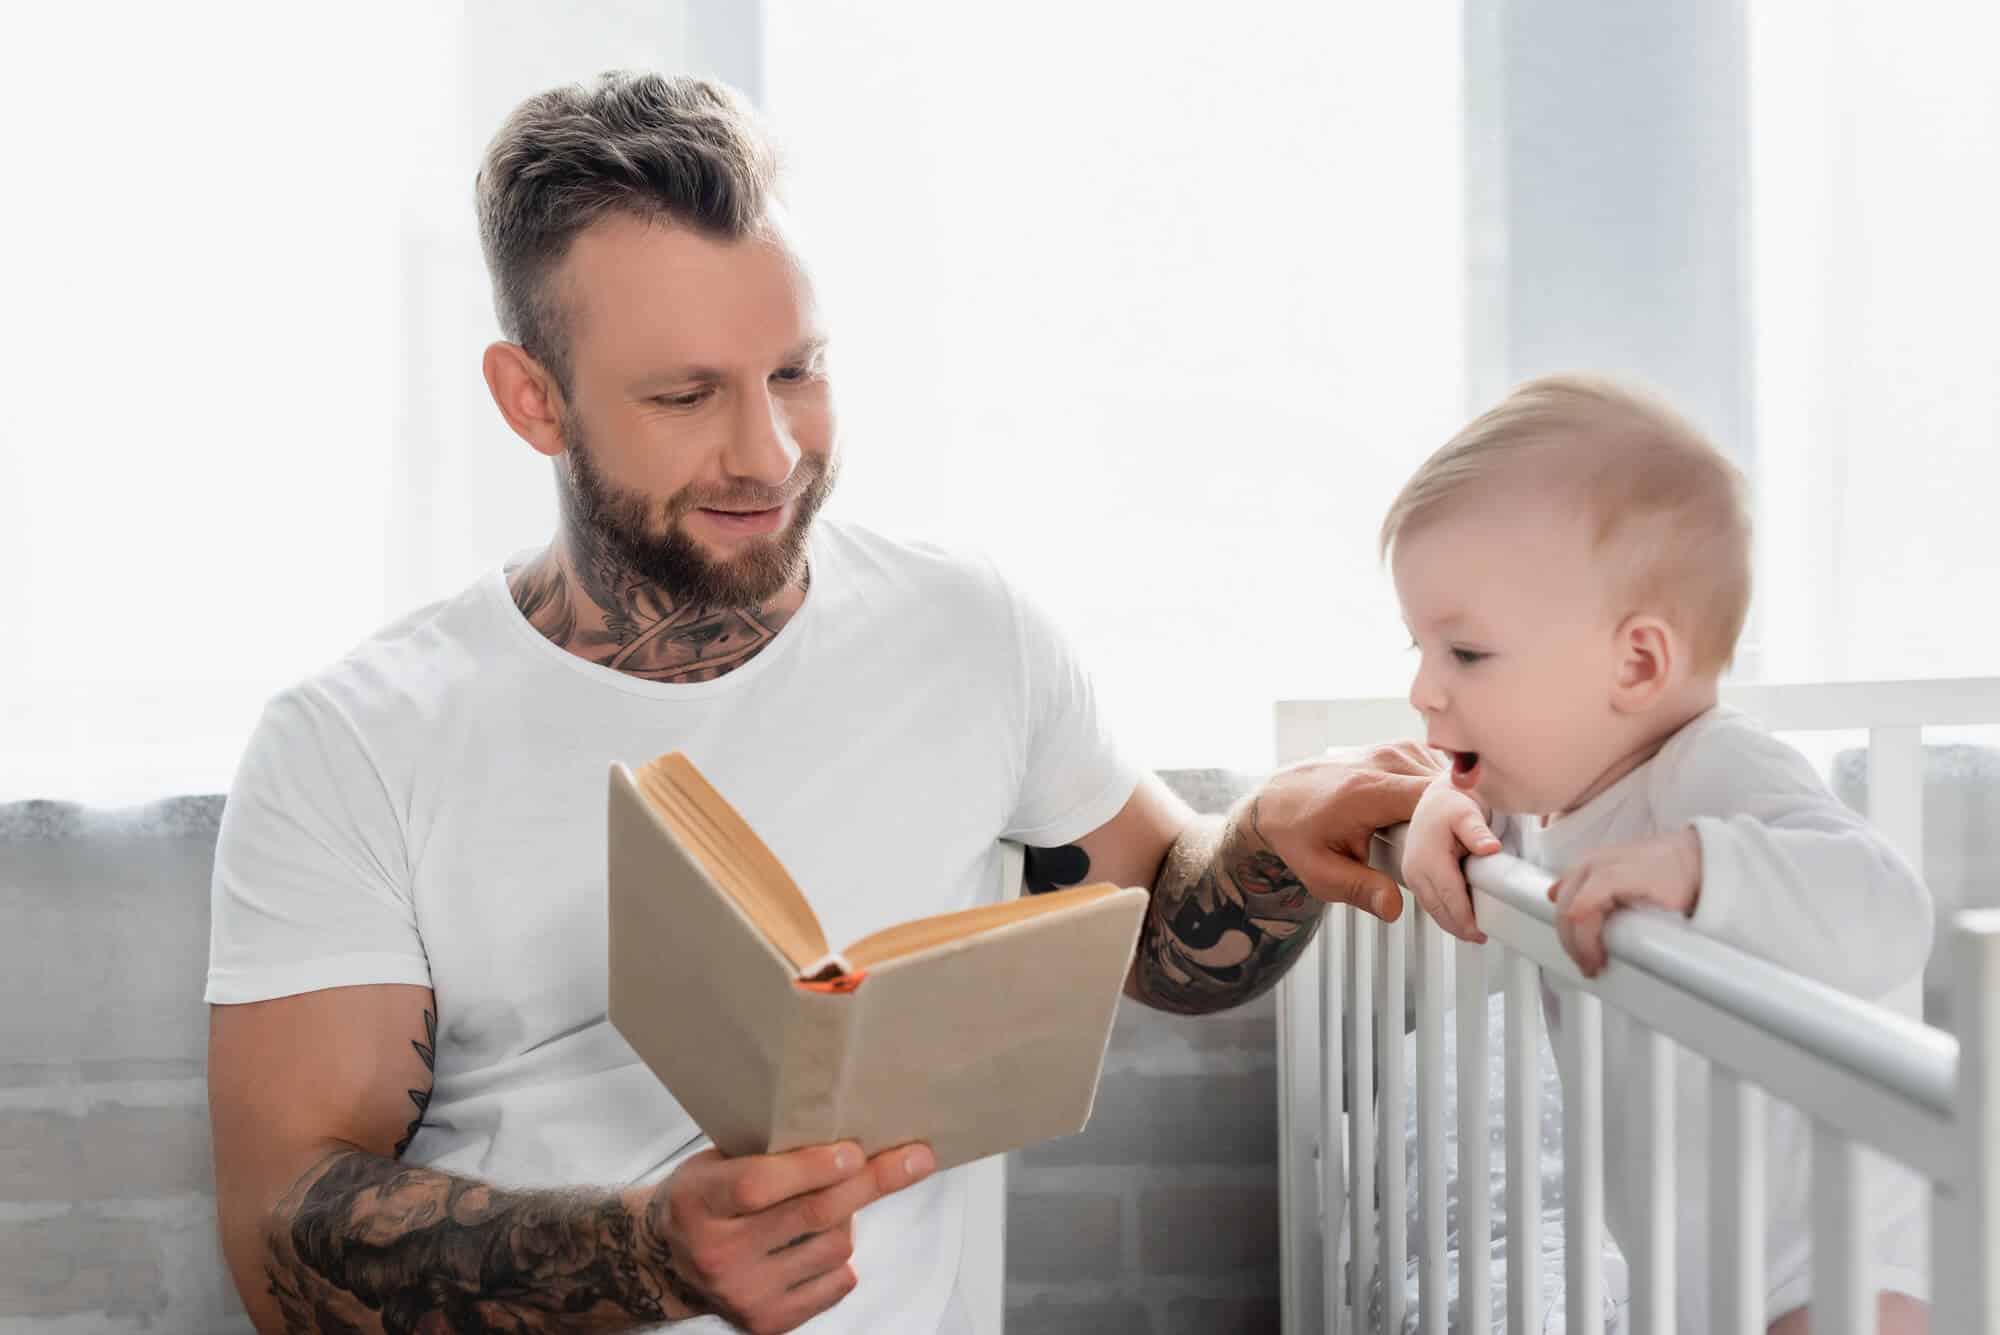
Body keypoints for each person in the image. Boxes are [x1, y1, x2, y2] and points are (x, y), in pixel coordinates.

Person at [203, 72, 1434, 1335]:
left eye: (795, 372)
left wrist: (1273, 846)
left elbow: (1167, 939)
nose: (769, 453)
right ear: (533, 400)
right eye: (685, 397)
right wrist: (648, 1257)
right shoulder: (353, 740)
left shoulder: (967, 630)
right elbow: (280, 1247)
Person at [1389, 373, 1933, 1332]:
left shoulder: (1715, 771)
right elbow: (1483, 816)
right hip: (1698, 1266)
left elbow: (1891, 909)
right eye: (1419, 650)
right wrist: (1440, 806)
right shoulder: (1555, 794)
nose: (1426, 690)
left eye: (1465, 654)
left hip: (1842, 1248)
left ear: (1636, 663)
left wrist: (1699, 865)